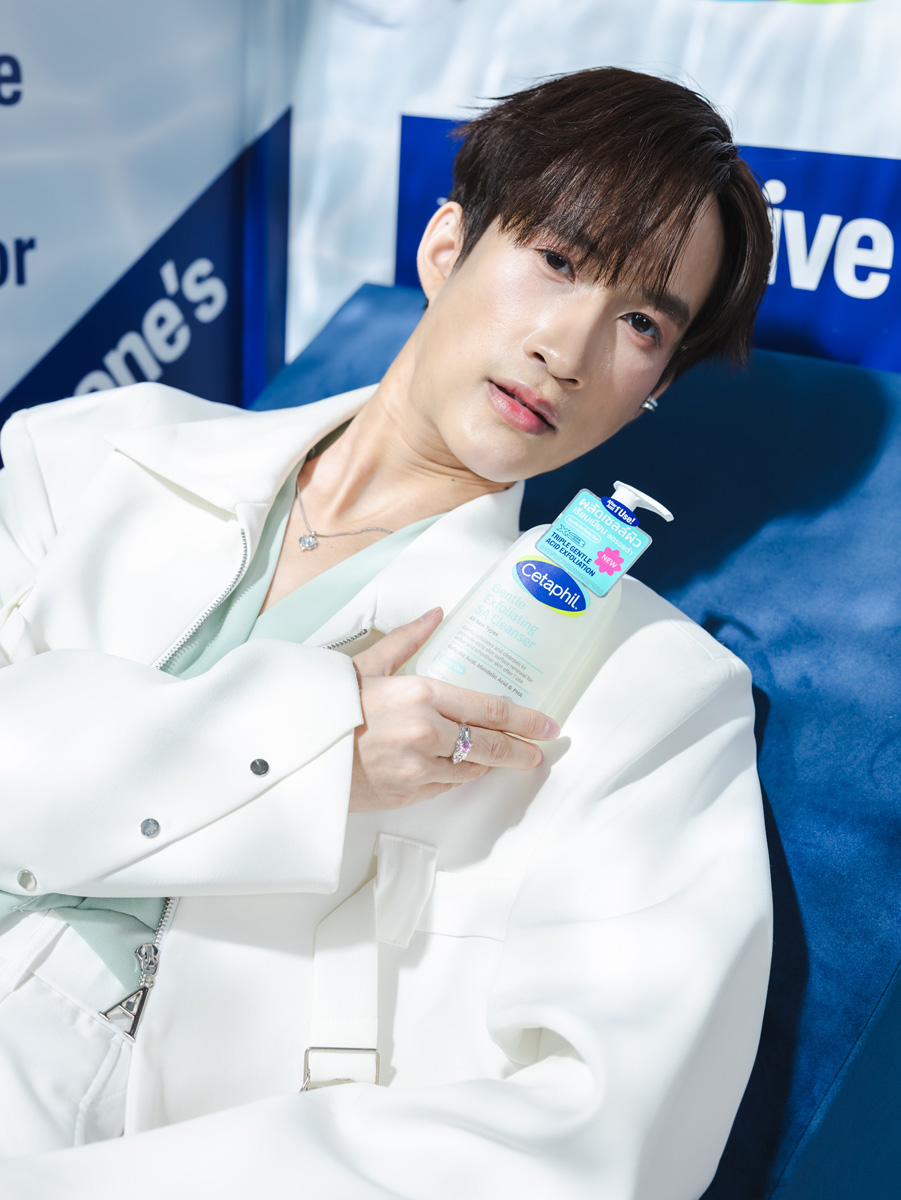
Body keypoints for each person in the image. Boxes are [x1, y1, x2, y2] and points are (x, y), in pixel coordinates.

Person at [0, 67, 773, 1198]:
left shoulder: (649, 693)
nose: (569, 347)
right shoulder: (87, 457)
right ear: (447, 245)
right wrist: (306, 748)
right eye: (558, 260)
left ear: (655, 385)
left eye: (642, 322)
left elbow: (597, 1144)